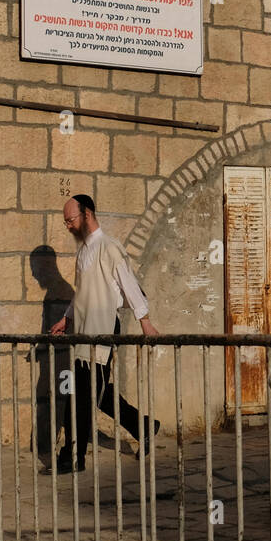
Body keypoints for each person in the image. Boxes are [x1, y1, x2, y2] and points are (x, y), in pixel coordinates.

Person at [47, 194, 160, 474]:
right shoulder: (84, 250)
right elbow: (81, 293)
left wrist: (144, 319)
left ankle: (72, 457)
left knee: (83, 396)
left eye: (70, 220)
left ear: (86, 215)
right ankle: (143, 426)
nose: (68, 226)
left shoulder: (110, 247)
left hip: (103, 331)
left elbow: (129, 284)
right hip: (83, 333)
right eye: (65, 222)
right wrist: (66, 318)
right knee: (93, 392)